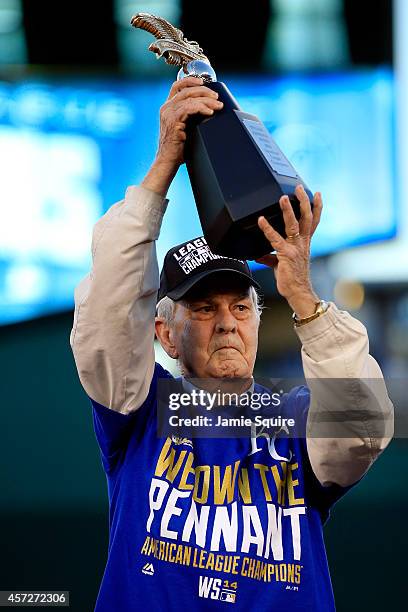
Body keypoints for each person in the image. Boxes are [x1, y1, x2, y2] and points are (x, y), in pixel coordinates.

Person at [70, 77, 393, 611]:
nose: (226, 322)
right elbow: (106, 316)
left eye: (241, 306)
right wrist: (161, 171)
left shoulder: (295, 418)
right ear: (165, 335)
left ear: (258, 324)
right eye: (202, 308)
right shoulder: (141, 410)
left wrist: (305, 299)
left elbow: (361, 434)